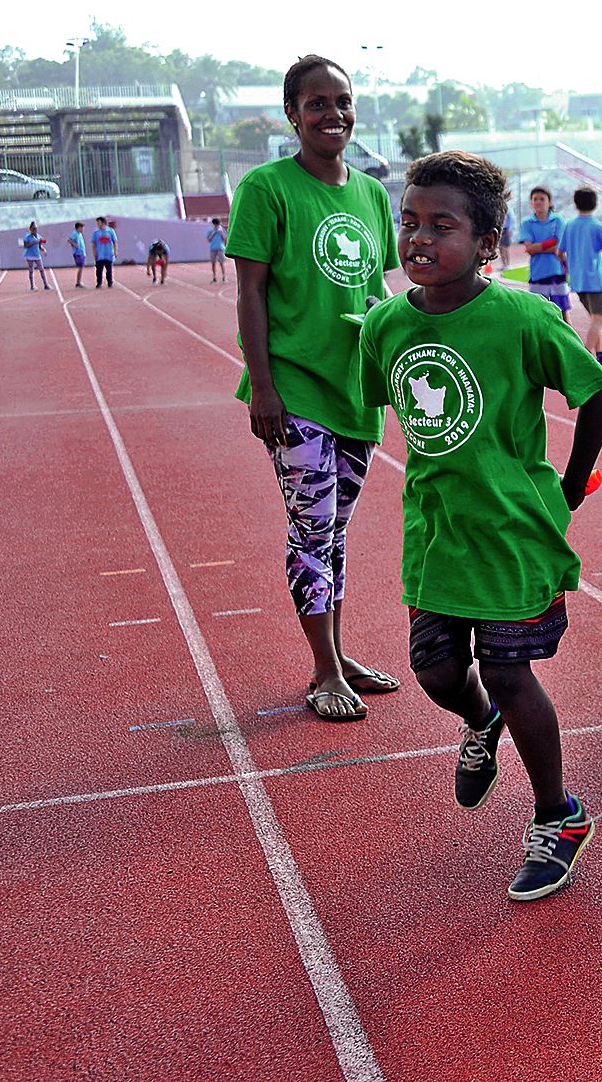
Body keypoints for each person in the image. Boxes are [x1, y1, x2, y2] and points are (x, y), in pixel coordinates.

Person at [357, 150, 602, 901]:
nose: (419, 239)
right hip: (436, 532)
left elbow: (593, 395)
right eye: (409, 223)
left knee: (508, 667)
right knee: (436, 671)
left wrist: (566, 489)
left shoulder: (522, 315)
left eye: (442, 225)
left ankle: (556, 816)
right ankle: (479, 720)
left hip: (511, 531)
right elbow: (388, 410)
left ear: (486, 240)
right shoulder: (385, 325)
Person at [228, 55, 403, 724]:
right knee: (310, 529)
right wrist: (262, 386)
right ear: (292, 114)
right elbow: (250, 291)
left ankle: (337, 652)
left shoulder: (368, 193)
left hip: (354, 391)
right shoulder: (267, 188)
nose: (334, 114)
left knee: (334, 533)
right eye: (318, 103)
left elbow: (378, 291)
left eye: (344, 100)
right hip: (294, 390)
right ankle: (324, 670)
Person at [559, 188, 602, 369]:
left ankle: (601, 355)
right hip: (594, 279)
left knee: (595, 317)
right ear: (596, 203)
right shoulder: (598, 226)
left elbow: (559, 252)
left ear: (576, 203)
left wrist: (569, 267)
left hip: (577, 281)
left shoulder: (569, 226)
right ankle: (585, 357)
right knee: (598, 318)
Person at [517, 187, 572, 321]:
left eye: (542, 199)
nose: (538, 202)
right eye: (535, 199)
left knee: (562, 313)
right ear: (531, 202)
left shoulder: (557, 220)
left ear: (549, 202)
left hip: (557, 273)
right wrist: (550, 244)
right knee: (538, 314)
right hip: (537, 274)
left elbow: (559, 246)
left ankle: (569, 341)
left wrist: (539, 247)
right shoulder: (527, 223)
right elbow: (529, 249)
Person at [20, 223, 51, 292]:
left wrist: (44, 250)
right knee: (31, 270)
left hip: (37, 255)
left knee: (42, 270)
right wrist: (33, 242)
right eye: (33, 228)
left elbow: (40, 246)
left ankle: (46, 285)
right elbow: (25, 246)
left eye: (36, 228)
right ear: (30, 229)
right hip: (29, 255)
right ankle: (32, 286)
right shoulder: (27, 237)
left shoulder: (39, 236)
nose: (35, 230)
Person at [91, 216, 116, 289]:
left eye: (98, 222)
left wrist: (115, 251)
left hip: (108, 254)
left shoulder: (110, 231)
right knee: (99, 270)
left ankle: (110, 282)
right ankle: (99, 283)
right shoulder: (96, 232)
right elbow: (93, 243)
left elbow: (115, 242)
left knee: (109, 270)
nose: (97, 224)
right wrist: (94, 252)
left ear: (103, 222)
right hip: (99, 255)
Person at [206, 218, 229, 283]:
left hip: (220, 248)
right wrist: (213, 232)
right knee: (213, 263)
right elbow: (208, 240)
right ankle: (214, 277)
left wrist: (221, 233)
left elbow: (225, 239)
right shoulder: (210, 231)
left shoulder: (221, 230)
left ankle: (224, 277)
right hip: (213, 248)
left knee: (222, 263)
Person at [68, 222, 88, 289]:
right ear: (79, 227)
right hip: (78, 253)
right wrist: (74, 245)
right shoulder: (75, 233)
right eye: (82, 227)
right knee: (80, 267)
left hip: (81, 253)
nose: (83, 229)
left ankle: (79, 282)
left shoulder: (79, 234)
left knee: (81, 267)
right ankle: (78, 282)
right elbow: (69, 240)